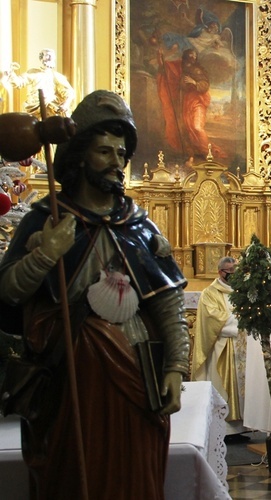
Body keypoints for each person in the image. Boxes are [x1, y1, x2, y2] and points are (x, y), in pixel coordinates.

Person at [0, 90, 189, 498]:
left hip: (136, 374)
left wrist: (175, 366)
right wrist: (45, 255)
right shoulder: (45, 220)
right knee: (72, 476)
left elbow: (168, 304)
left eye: (122, 153)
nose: (117, 163)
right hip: (68, 381)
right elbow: (8, 296)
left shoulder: (139, 226)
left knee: (135, 477)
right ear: (79, 156)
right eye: (104, 151)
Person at [192, 256, 251, 434]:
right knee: (223, 386)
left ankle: (243, 428)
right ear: (220, 272)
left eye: (236, 271)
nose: (234, 275)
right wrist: (243, 321)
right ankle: (224, 430)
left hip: (242, 346)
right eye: (230, 272)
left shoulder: (243, 291)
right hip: (222, 348)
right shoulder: (210, 293)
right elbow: (214, 320)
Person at [157, 48, 212, 158]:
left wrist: (194, 82)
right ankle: (190, 154)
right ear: (186, 56)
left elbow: (205, 85)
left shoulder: (198, 70)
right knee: (185, 127)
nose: (193, 57)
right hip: (184, 101)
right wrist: (160, 58)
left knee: (196, 127)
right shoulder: (178, 67)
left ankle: (207, 152)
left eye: (195, 55)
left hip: (197, 101)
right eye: (191, 55)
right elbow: (165, 70)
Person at [4, 48, 75, 119]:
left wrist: (66, 104)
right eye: (47, 55)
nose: (50, 58)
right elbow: (19, 82)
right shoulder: (33, 73)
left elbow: (70, 92)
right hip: (34, 107)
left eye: (51, 56)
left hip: (52, 107)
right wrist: (11, 73)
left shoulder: (57, 76)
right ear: (41, 57)